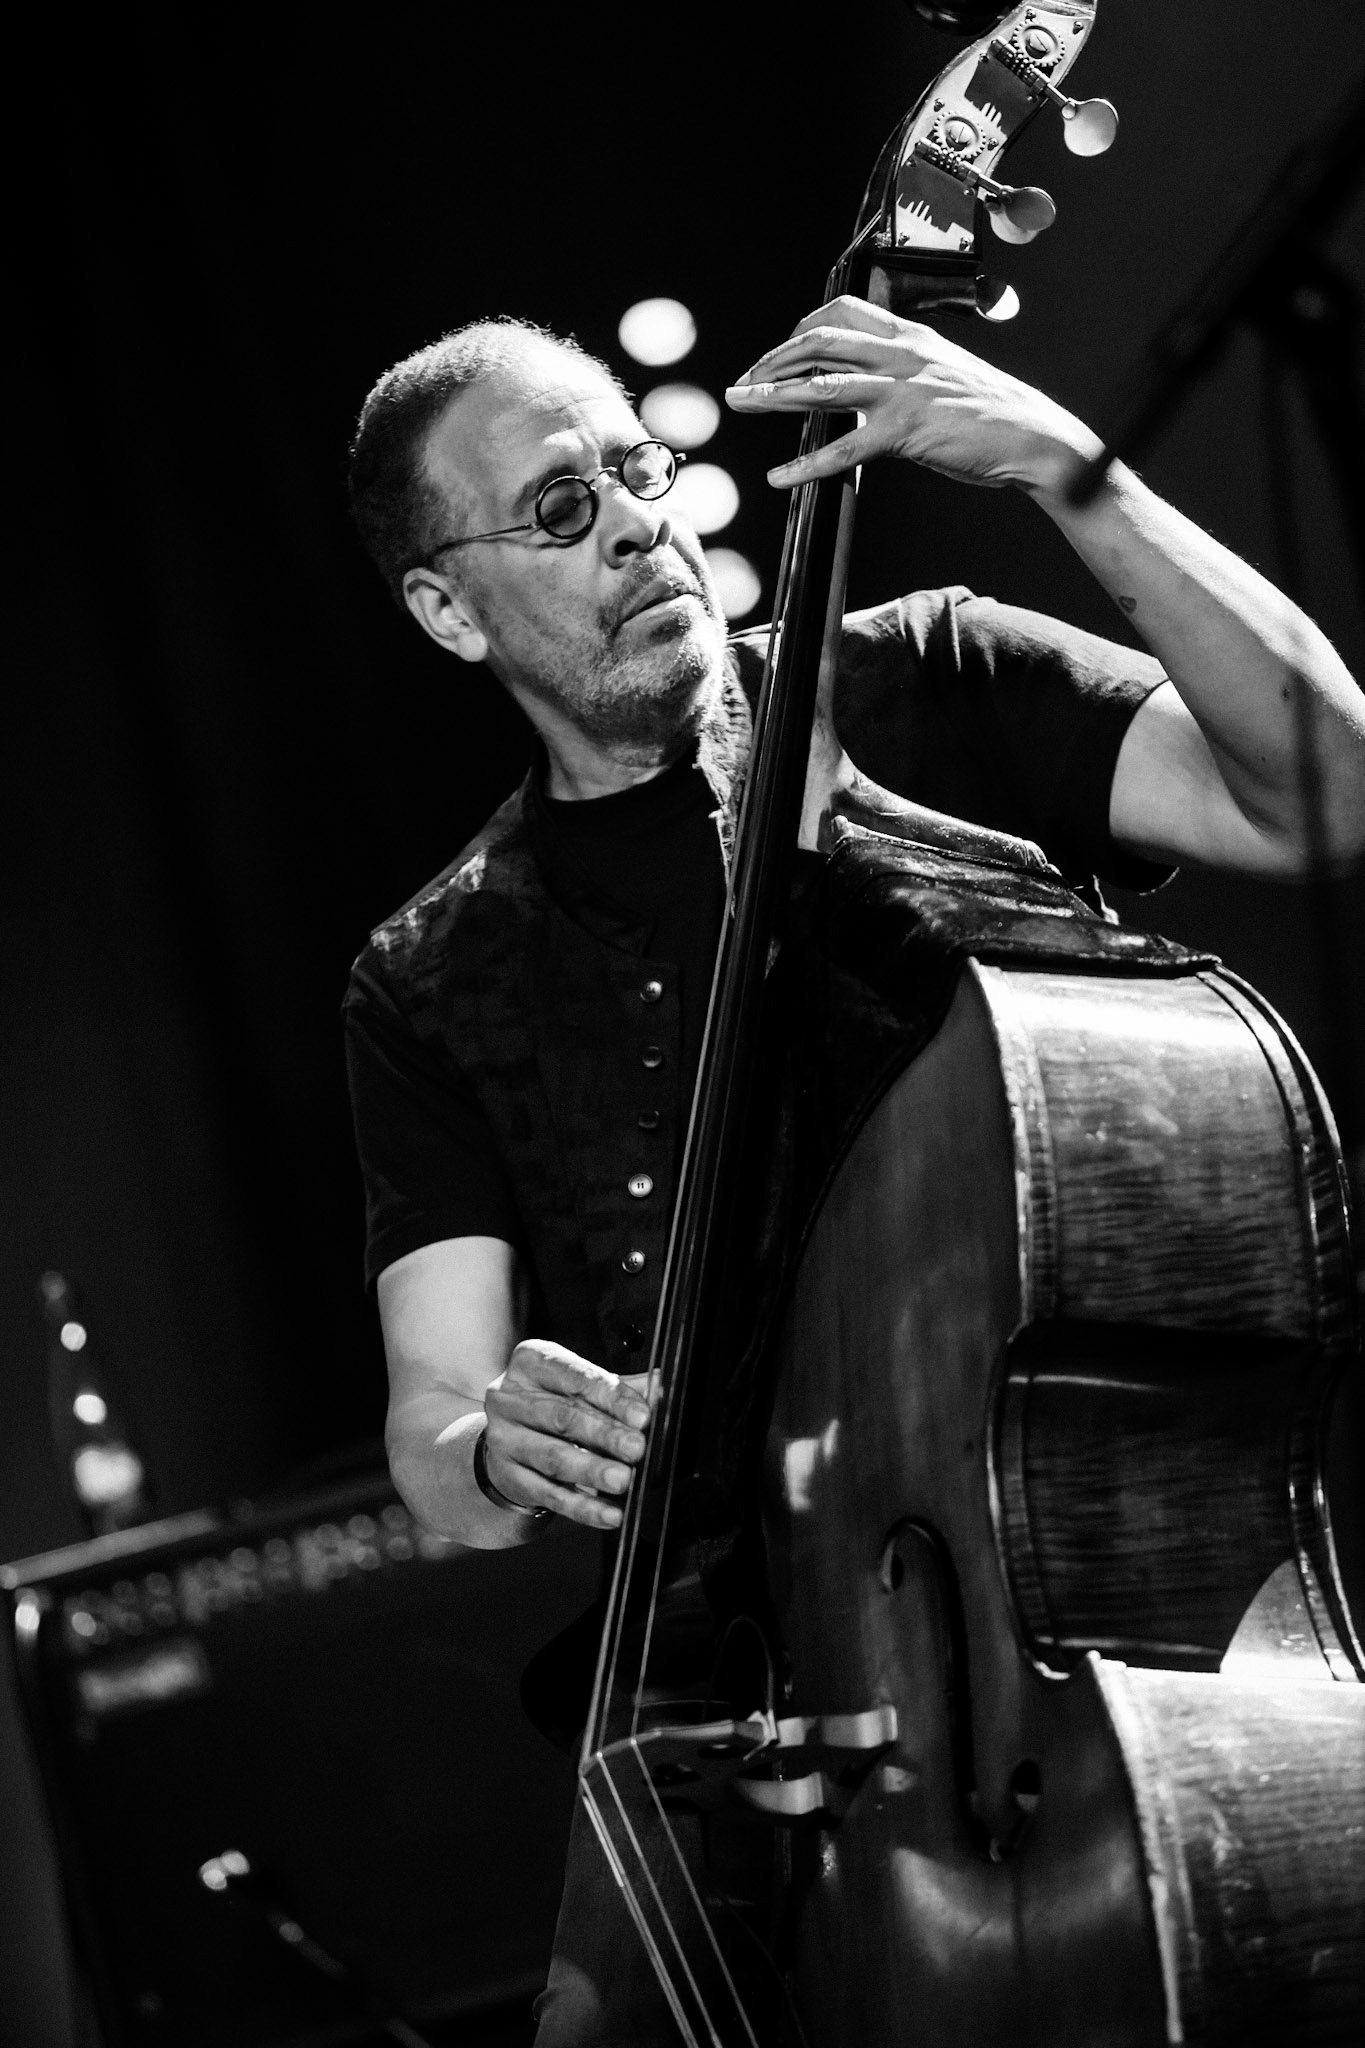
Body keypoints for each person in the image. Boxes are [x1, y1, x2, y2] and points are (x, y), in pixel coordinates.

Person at [343, 298, 1365, 2044]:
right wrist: (489, 1437)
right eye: (559, 510)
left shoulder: (924, 684)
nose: (639, 526)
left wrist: (1074, 473)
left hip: (1080, 1659)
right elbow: (435, 1438)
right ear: (448, 607)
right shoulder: (431, 974)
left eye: (639, 472)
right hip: (719, 1728)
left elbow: (1329, 795)